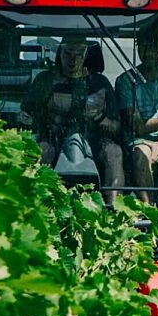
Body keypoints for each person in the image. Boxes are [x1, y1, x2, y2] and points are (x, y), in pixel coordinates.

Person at [24, 36, 125, 197]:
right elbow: (26, 118)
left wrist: (98, 118)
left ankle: (114, 208)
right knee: (40, 151)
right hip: (53, 139)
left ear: (86, 56)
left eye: (79, 54)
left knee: (114, 152)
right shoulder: (45, 80)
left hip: (94, 140)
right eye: (68, 53)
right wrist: (46, 111)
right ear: (59, 55)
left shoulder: (99, 83)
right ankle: (36, 203)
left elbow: (117, 127)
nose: (73, 59)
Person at [115, 26, 158, 203]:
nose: (148, 52)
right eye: (143, 46)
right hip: (139, 140)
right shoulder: (126, 81)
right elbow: (136, 127)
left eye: (153, 47)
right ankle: (149, 209)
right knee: (140, 155)